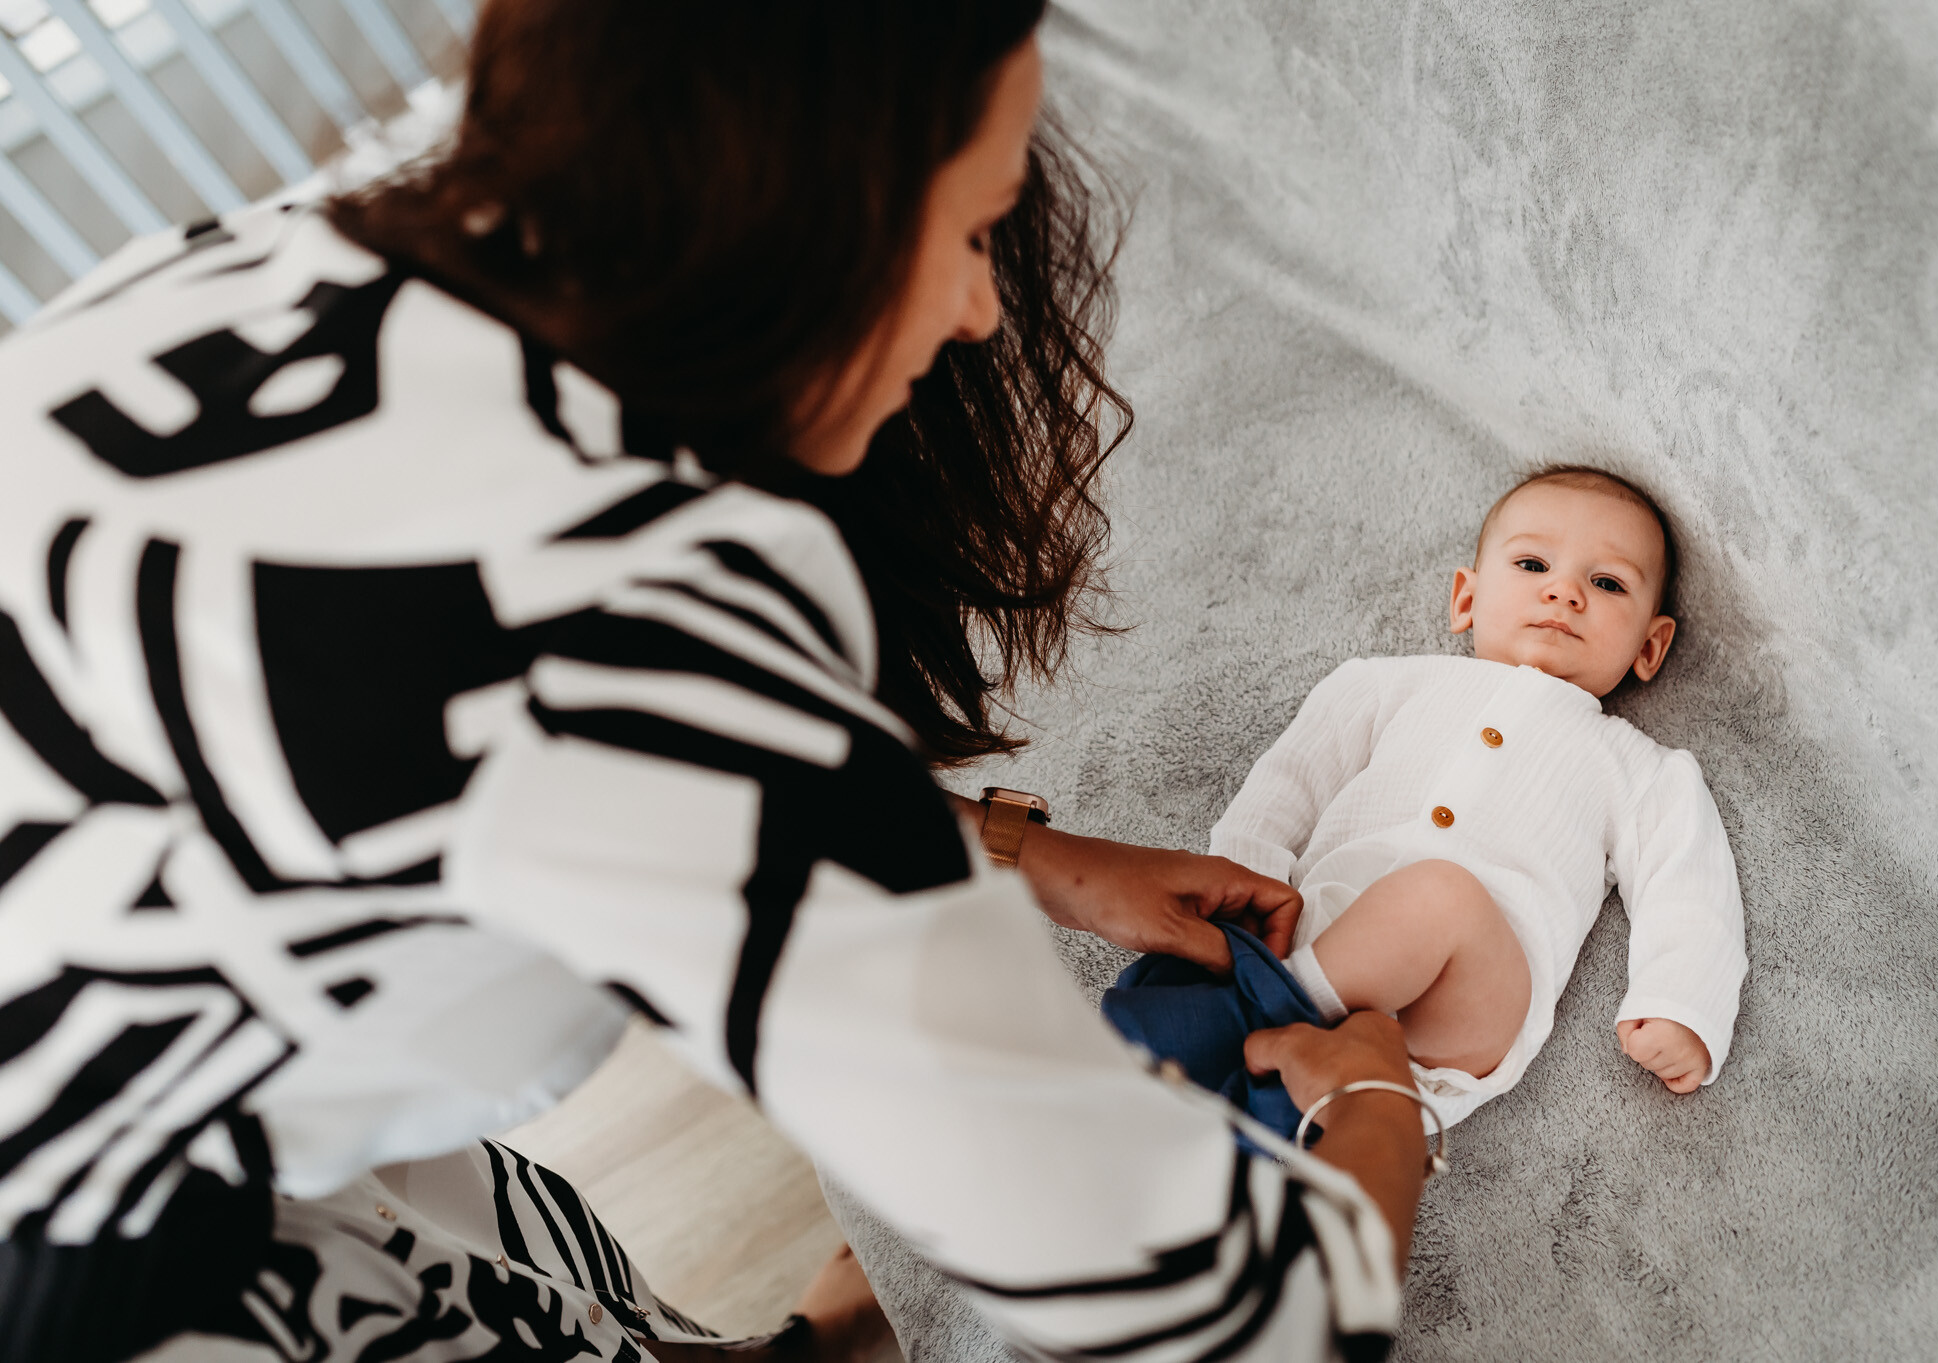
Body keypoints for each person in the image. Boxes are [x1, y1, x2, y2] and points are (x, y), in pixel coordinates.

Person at [0, 3, 1428, 1361]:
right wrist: (1374, 1106)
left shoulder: (260, 267)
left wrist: (1024, 855)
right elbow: (1233, 1316)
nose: (986, 310)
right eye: (973, 229)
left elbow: (454, 731)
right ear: (815, 219)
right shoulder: (629, 617)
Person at [1109, 467, 1747, 1133]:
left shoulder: (1639, 767)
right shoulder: (1386, 685)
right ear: (1466, 599)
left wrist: (1680, 1003)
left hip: (1466, 998)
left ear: (1650, 645)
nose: (1564, 591)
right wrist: (1243, 879)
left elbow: (1689, 880)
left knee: (1444, 897)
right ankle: (1273, 1065)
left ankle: (1247, 1022)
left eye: (1608, 583)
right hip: (1313, 932)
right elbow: (1291, 779)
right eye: (1533, 565)